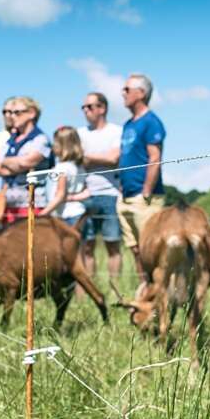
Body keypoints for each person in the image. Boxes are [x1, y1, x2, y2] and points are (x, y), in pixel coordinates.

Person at [117, 73, 166, 277]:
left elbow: (155, 157)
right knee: (135, 250)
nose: (123, 93)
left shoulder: (152, 122)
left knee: (150, 251)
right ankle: (145, 295)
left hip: (144, 197)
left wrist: (146, 191)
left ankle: (157, 298)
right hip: (126, 196)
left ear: (141, 93)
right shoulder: (128, 124)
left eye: (127, 89)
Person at [77, 92, 122, 279]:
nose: (86, 111)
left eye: (90, 106)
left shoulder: (116, 131)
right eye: (84, 107)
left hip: (110, 194)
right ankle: (88, 292)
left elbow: (113, 159)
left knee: (113, 244)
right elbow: (76, 159)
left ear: (102, 108)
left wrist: (87, 157)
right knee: (86, 246)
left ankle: (116, 291)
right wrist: (98, 158)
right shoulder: (80, 133)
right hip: (85, 195)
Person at [0, 97, 52, 224]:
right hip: (8, 206)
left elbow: (27, 162)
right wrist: (18, 165)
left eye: (17, 112)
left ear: (32, 113)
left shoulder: (40, 139)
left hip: (32, 204)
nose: (12, 116)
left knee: (30, 243)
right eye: (11, 113)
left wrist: (6, 162)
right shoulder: (10, 141)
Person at [39, 126, 88, 225]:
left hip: (67, 216)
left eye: (56, 142)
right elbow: (86, 191)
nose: (53, 146)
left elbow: (60, 195)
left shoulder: (62, 168)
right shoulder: (79, 166)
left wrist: (42, 214)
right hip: (80, 213)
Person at [0, 96, 18, 161]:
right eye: (4, 112)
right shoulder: (1, 136)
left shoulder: (32, 135)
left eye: (10, 111)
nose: (7, 115)